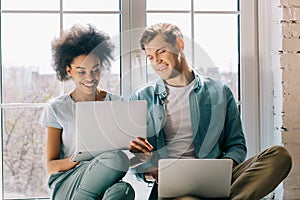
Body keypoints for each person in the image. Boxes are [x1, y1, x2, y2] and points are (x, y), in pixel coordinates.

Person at [129, 22, 293, 200]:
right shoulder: (142, 97)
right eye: (150, 57)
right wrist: (152, 171)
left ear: (179, 45)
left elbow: (236, 145)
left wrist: (219, 173)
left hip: (220, 180)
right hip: (175, 189)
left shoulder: (220, 92)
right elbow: (135, 159)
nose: (156, 61)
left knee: (279, 156)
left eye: (161, 51)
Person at [40, 24, 140, 200]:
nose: (90, 78)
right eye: (81, 72)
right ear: (69, 71)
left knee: (123, 191)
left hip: (106, 180)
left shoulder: (119, 104)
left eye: (95, 70)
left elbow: (131, 160)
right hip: (68, 182)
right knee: (115, 158)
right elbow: (51, 166)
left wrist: (141, 155)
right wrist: (80, 158)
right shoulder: (57, 108)